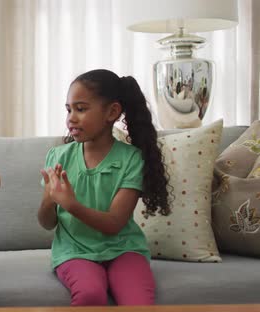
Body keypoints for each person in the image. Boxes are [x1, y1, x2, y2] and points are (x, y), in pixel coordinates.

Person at [38, 69, 170, 306]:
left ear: (112, 112)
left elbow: (114, 224)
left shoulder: (131, 159)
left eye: (81, 109)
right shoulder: (58, 157)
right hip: (75, 252)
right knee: (90, 294)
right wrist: (51, 198)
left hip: (124, 250)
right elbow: (47, 223)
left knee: (137, 301)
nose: (71, 118)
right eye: (69, 109)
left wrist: (71, 204)